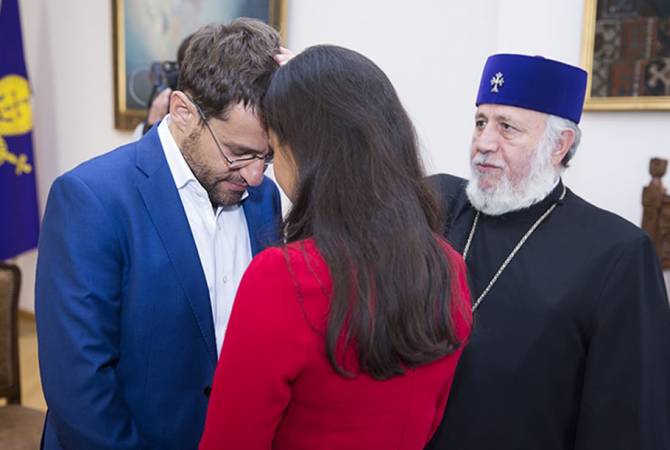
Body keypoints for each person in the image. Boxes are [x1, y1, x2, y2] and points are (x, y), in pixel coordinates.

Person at [198, 45, 473, 450]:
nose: (267, 172)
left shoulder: (284, 278)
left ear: (308, 153)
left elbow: (231, 441)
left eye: (274, 150)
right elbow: (430, 419)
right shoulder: (447, 267)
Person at [35, 19, 282, 450]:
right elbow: (79, 386)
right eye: (239, 153)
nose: (257, 176)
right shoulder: (91, 200)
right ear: (183, 112)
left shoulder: (265, 199)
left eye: (268, 156)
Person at [426, 54, 670, 450]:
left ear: (560, 144)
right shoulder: (436, 204)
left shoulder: (616, 253)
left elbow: (629, 420)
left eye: (507, 127)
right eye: (480, 123)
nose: (484, 143)